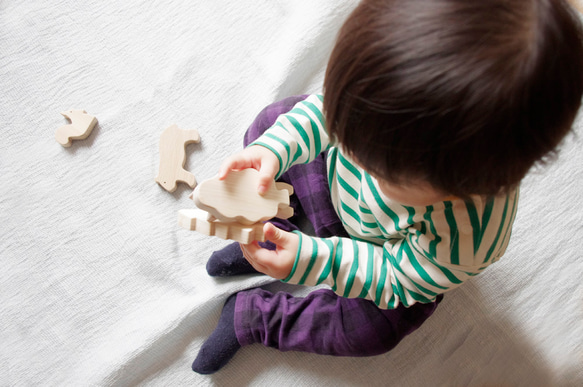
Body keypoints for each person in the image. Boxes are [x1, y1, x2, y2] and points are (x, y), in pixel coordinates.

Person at [192, 0, 583, 374]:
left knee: (372, 331)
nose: (347, 145)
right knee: (276, 121)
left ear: (464, 187)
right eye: (346, 127)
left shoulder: (469, 241)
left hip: (380, 257)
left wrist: (313, 260)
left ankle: (257, 317)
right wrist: (272, 152)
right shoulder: (377, 99)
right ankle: (276, 231)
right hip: (329, 190)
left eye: (376, 167)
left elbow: (396, 277)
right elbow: (323, 114)